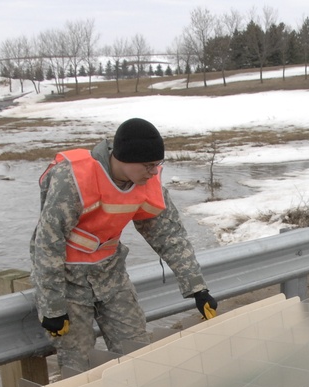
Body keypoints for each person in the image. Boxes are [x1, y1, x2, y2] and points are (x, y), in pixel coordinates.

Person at [31, 118, 217, 373]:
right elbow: (47, 244)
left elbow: (169, 235)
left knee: (138, 355)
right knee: (79, 368)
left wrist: (197, 288)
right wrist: (52, 306)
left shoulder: (147, 183)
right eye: (148, 165)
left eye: (157, 165)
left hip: (111, 276)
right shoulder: (74, 178)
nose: (153, 172)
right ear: (125, 158)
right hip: (68, 283)